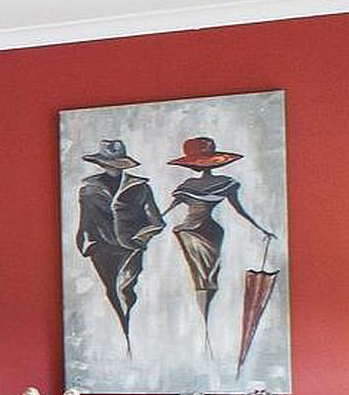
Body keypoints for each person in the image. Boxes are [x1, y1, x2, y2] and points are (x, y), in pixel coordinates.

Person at [165, 137, 273, 331]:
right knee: (205, 273)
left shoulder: (192, 184)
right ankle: (204, 317)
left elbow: (169, 209)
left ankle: (205, 318)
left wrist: (260, 228)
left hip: (194, 230)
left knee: (206, 272)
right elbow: (239, 210)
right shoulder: (222, 183)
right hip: (199, 231)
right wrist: (260, 228)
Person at [73, 140, 162, 347]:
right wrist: (85, 243)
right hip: (101, 250)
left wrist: (140, 239)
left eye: (116, 163)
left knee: (126, 290)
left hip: (130, 249)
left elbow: (156, 222)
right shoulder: (88, 190)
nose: (112, 167)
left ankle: (130, 334)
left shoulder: (140, 188)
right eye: (108, 163)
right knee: (111, 291)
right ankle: (124, 336)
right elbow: (85, 220)